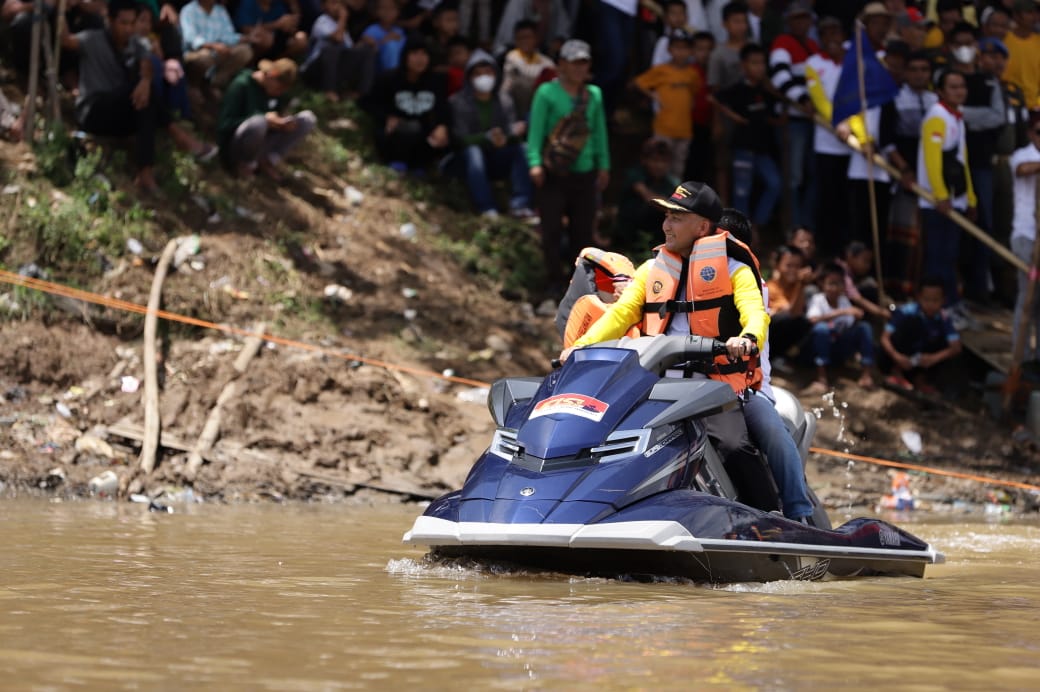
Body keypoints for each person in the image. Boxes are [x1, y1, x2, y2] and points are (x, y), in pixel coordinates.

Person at [560, 183, 815, 523]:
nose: (667, 225)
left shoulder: (736, 271)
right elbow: (620, 316)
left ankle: (772, 521)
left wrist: (748, 336)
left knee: (733, 445)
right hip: (655, 384)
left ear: (703, 226)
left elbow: (755, 313)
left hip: (712, 387)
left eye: (677, 217)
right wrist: (579, 348)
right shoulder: (651, 271)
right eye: (666, 216)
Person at [61, 0, 211, 192]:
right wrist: (60, 11)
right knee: (136, 91)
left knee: (145, 99)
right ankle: (177, 134)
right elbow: (66, 40)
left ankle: (145, 172)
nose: (128, 29)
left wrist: (146, 81)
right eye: (123, 23)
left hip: (118, 115)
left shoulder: (135, 43)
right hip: (93, 111)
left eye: (132, 23)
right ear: (110, 21)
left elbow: (146, 63)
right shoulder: (92, 39)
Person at [526, 38, 610, 297]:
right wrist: (534, 163)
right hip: (554, 173)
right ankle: (553, 281)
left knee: (583, 232)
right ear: (561, 64)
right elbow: (536, 130)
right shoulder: (546, 93)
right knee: (550, 229)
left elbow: (599, 133)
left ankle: (581, 287)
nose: (578, 68)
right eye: (573, 62)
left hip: (584, 173)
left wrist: (604, 165)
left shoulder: (594, 94)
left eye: (583, 63)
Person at [447, 49, 534, 219]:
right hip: (466, 162)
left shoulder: (504, 100)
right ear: (469, 77)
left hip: (496, 158)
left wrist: (509, 136)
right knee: (474, 152)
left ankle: (520, 204)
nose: (484, 77)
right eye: (478, 73)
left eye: (487, 72)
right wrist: (486, 138)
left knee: (522, 149)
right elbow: (458, 138)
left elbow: (510, 130)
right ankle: (486, 207)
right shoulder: (458, 101)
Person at [918, 69, 976, 310]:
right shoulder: (937, 117)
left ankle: (951, 303)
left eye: (961, 86)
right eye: (952, 87)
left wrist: (971, 199)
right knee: (938, 257)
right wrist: (940, 196)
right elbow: (932, 161)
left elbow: (962, 160)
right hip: (938, 203)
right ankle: (939, 308)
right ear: (940, 91)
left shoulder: (956, 117)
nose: (959, 91)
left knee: (950, 255)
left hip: (956, 199)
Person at [715, 43, 781, 234]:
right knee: (741, 192)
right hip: (742, 148)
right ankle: (741, 233)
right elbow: (715, 98)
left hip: (762, 149)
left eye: (762, 63)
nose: (759, 67)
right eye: (754, 63)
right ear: (743, 65)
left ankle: (756, 226)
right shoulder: (737, 90)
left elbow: (770, 114)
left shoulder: (766, 91)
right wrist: (733, 116)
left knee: (774, 184)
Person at [888, 49, 938, 299]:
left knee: (926, 240)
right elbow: (888, 142)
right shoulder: (895, 99)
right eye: (914, 70)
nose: (919, 75)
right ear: (906, 73)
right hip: (905, 178)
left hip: (931, 180)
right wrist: (904, 170)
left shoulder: (935, 102)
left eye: (924, 70)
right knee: (904, 239)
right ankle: (901, 292)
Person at [216, 57, 317, 180]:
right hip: (235, 144)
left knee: (307, 119)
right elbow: (224, 125)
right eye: (280, 87)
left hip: (262, 144)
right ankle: (243, 165)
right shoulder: (242, 85)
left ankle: (266, 162)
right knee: (259, 123)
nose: (280, 92)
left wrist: (282, 124)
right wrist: (263, 119)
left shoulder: (274, 94)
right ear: (271, 75)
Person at [363, 36, 451, 175]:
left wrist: (442, 126)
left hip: (425, 136)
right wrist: (387, 117)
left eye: (424, 54)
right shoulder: (388, 78)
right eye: (415, 54)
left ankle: (421, 167)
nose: (420, 59)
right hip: (395, 135)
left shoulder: (436, 81)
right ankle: (398, 164)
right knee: (409, 129)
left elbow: (443, 108)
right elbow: (368, 102)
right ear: (405, 56)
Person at [769, 0, 819, 230]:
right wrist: (803, 100)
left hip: (814, 120)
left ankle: (806, 225)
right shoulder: (783, 43)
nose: (802, 22)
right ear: (789, 21)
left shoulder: (813, 45)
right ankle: (793, 226)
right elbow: (780, 77)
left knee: (812, 174)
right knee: (794, 177)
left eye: (805, 18)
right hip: (794, 120)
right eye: (797, 18)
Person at [805, 16, 851, 256]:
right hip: (827, 144)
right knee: (827, 201)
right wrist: (839, 123)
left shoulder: (853, 62)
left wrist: (853, 126)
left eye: (836, 32)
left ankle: (845, 252)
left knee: (848, 201)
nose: (832, 38)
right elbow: (820, 100)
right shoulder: (813, 63)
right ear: (820, 38)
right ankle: (826, 251)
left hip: (855, 145)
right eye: (826, 34)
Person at [633, 30, 703, 178]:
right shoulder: (661, 71)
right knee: (658, 166)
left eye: (685, 48)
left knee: (678, 168)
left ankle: (674, 200)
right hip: (664, 128)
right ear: (669, 49)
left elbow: (695, 91)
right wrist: (652, 95)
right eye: (677, 48)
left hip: (684, 130)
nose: (681, 52)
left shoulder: (692, 74)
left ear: (690, 51)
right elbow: (639, 82)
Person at [806, 262, 878, 393]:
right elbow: (813, 319)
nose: (834, 288)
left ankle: (866, 375)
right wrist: (842, 312)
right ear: (823, 284)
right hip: (818, 348)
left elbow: (849, 327)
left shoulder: (844, 301)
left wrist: (856, 318)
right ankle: (821, 377)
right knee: (821, 329)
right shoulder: (818, 299)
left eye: (838, 284)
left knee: (864, 327)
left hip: (838, 348)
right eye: (831, 283)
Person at [880, 277, 961, 394]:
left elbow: (956, 347)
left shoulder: (944, 318)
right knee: (913, 324)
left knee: (946, 346)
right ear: (919, 298)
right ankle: (897, 373)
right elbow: (884, 338)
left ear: (943, 300)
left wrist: (933, 358)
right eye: (927, 300)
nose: (930, 305)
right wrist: (897, 356)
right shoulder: (906, 311)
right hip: (895, 358)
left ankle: (921, 380)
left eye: (935, 300)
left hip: (920, 362)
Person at [614, 137, 680, 254]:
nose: (659, 165)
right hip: (631, 230)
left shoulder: (671, 182)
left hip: (657, 233)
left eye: (663, 161)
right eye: (655, 160)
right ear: (644, 160)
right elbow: (649, 198)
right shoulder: (635, 174)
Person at [300, 0, 376, 101]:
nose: (337, 7)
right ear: (323, 6)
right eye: (333, 3)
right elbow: (338, 39)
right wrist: (343, 18)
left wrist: (365, 44)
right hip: (315, 71)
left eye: (339, 3)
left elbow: (349, 50)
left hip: (335, 70)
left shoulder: (343, 27)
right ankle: (329, 91)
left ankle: (359, 93)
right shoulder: (322, 20)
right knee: (332, 49)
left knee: (366, 50)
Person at [1009, 113, 1040, 361]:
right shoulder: (1022, 155)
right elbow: (1022, 170)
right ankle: (1020, 356)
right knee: (1027, 296)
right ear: (1031, 133)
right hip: (1026, 235)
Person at [179, 0, 255, 91]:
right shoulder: (188, 10)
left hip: (219, 52)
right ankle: (194, 86)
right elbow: (190, 38)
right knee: (205, 57)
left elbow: (228, 35)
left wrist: (246, 38)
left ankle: (215, 83)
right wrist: (213, 46)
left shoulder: (220, 10)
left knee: (245, 51)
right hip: (196, 53)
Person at [499, 19, 554, 119]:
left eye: (528, 37)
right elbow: (527, 73)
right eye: (520, 38)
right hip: (516, 103)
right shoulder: (512, 56)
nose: (524, 41)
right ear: (515, 40)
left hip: (538, 102)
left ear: (536, 38)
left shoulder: (546, 61)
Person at [766, 244, 812, 361]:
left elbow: (796, 314)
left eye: (797, 266)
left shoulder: (799, 287)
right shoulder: (770, 287)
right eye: (788, 265)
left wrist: (801, 285)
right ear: (777, 266)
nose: (793, 270)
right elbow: (790, 313)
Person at [1004, 0, 1040, 112]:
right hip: (1010, 104)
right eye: (1029, 12)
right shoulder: (1004, 39)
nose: (1034, 17)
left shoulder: (1038, 41)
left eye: (1036, 13)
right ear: (1016, 15)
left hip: (1034, 106)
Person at [359, 0, 406, 73]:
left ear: (398, 11)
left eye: (391, 8)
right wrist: (384, 40)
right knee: (391, 45)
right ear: (376, 11)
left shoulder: (399, 31)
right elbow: (366, 47)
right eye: (383, 8)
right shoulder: (372, 30)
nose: (387, 12)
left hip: (400, 69)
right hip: (379, 70)